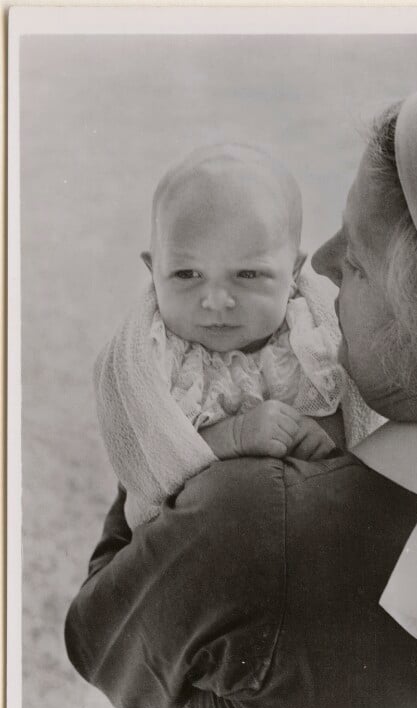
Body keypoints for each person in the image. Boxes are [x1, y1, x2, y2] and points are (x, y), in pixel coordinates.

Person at [65, 74, 417, 708]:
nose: (317, 265)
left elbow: (100, 647)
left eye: (359, 262)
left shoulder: (246, 520)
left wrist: (140, 495)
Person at [94, 143, 377, 530]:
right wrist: (232, 435)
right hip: (193, 539)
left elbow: (359, 405)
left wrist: (325, 435)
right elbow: (149, 462)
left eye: (247, 275)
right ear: (153, 270)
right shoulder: (154, 355)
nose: (216, 301)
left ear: (293, 272)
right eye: (186, 274)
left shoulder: (312, 330)